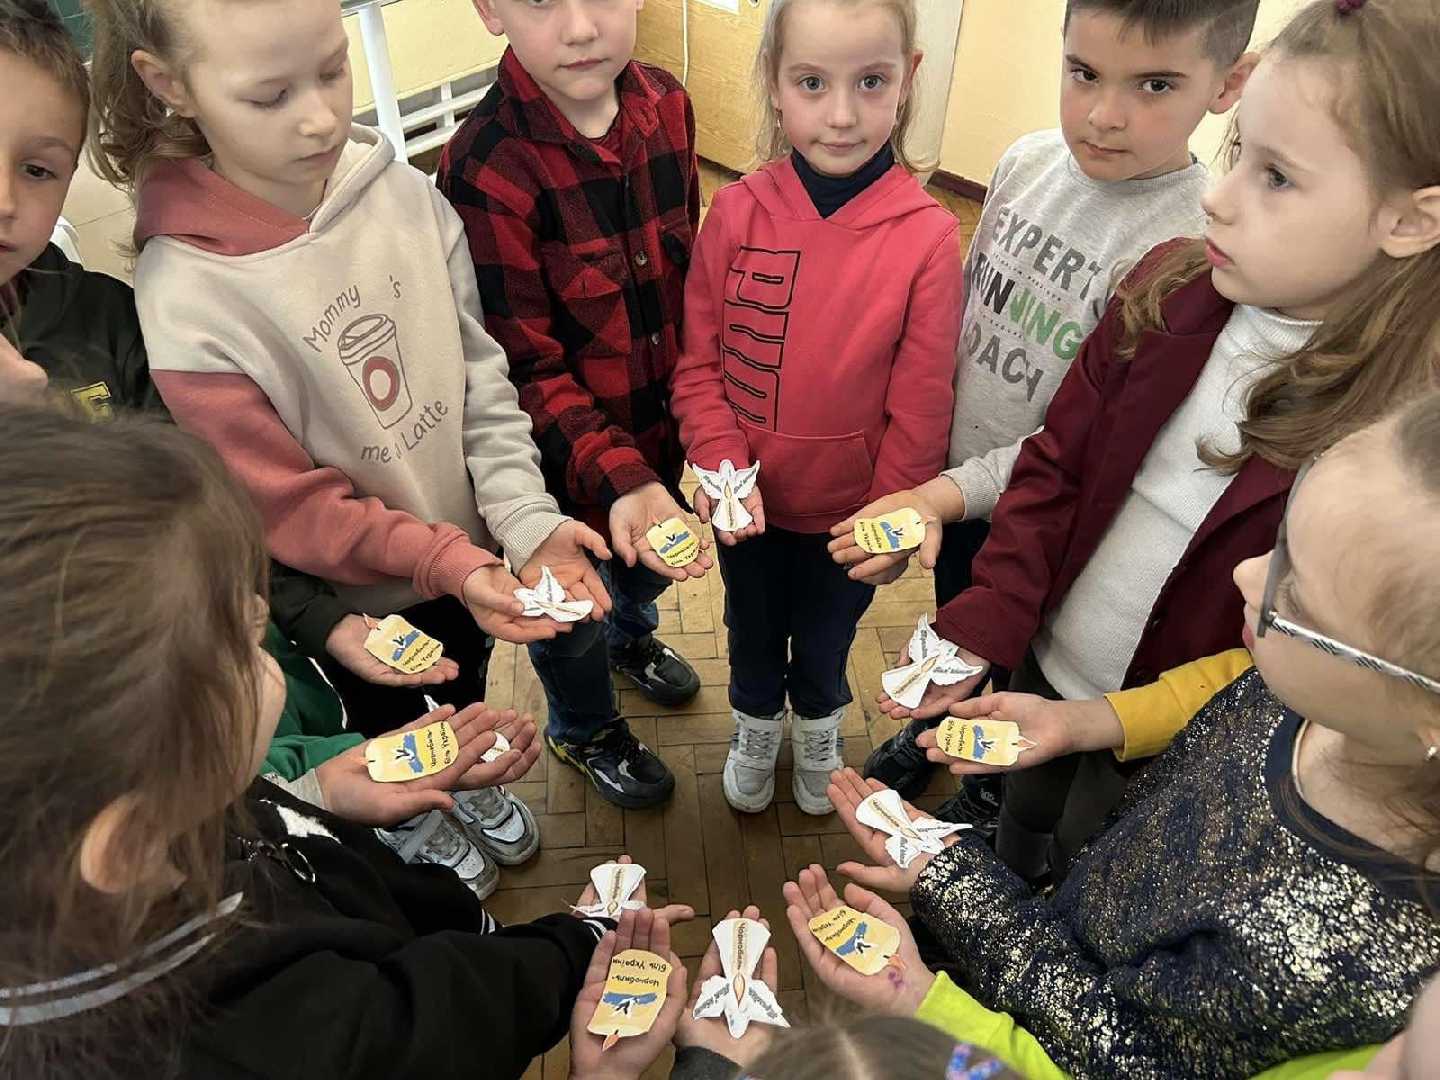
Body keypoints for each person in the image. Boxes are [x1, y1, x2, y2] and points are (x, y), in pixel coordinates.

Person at [876, 0, 1440, 882]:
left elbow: (1286, 658)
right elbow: (1055, 468)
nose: (1218, 196)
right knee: (1021, 825)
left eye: (1276, 177)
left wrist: (1109, 720)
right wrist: (989, 621)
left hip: (1167, 746)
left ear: (1408, 221)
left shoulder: (1391, 446)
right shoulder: (1166, 290)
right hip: (1044, 663)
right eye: (1238, 153)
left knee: (1090, 876)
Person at [831, 384, 1440, 1077]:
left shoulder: (1328, 956)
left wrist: (958, 896)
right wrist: (1082, 722)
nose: (1245, 574)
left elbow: (1119, 1050)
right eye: (1280, 544)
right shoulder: (1321, 699)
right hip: (1069, 919)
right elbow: (1228, 687)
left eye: (1295, 593)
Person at [85, 0, 616, 758]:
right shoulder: (184, 297)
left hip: (470, 555)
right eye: (270, 96)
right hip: (359, 606)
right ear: (169, 83)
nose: (320, 119)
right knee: (396, 724)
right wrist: (444, 561)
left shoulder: (403, 193)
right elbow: (291, 507)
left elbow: (478, 374)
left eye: (334, 70)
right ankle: (427, 806)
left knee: (464, 683)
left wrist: (521, 514)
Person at [839, 0, 1260, 811]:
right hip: (955, 492)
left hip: (1052, 518)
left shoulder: (1191, 247)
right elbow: (962, 328)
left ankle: (991, 783)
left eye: (1155, 85)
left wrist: (953, 490)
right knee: (964, 618)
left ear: (1226, 84)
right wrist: (924, 471)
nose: (1104, 116)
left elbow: (1085, 438)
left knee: (1022, 657)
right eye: (1084, 73)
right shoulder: (1026, 161)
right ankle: (943, 722)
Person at [669, 0, 963, 816]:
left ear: (908, 80)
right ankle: (755, 725)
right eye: (811, 83)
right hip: (749, 514)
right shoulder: (736, 211)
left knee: (829, 640)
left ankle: (821, 726)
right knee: (751, 631)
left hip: (850, 519)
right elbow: (699, 367)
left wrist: (892, 520)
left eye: (870, 82)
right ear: (774, 84)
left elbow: (922, 405)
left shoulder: (928, 237)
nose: (840, 115)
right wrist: (723, 470)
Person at [438, 0, 710, 810]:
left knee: (640, 582)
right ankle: (584, 727)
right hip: (555, 483)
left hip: (657, 445)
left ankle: (631, 638)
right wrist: (619, 475)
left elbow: (688, 288)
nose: (582, 27)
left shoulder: (670, 105)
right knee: (571, 623)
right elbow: (518, 365)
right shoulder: (483, 167)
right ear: (489, 9)